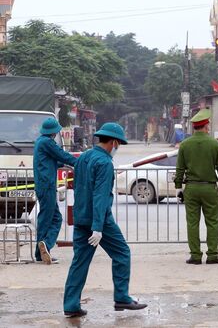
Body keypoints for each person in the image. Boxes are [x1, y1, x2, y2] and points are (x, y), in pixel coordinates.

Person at [63, 123, 147, 318]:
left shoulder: (83, 157)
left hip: (81, 217)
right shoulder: (105, 163)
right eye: (119, 145)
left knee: (79, 262)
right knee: (122, 253)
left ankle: (71, 304)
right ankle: (121, 297)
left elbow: (81, 188)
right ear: (114, 142)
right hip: (99, 220)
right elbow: (100, 196)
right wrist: (98, 227)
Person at [174, 109, 218, 265]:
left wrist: (178, 187)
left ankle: (195, 256)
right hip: (209, 188)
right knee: (212, 222)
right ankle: (212, 255)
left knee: (192, 222)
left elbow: (180, 169)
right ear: (206, 126)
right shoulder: (214, 143)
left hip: (191, 188)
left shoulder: (184, 145)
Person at [33, 118, 78, 264]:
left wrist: (66, 164)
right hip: (46, 186)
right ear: (54, 132)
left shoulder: (40, 142)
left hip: (44, 185)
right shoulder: (47, 143)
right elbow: (62, 155)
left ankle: (42, 250)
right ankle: (44, 246)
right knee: (49, 219)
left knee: (51, 218)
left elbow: (54, 160)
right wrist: (80, 162)